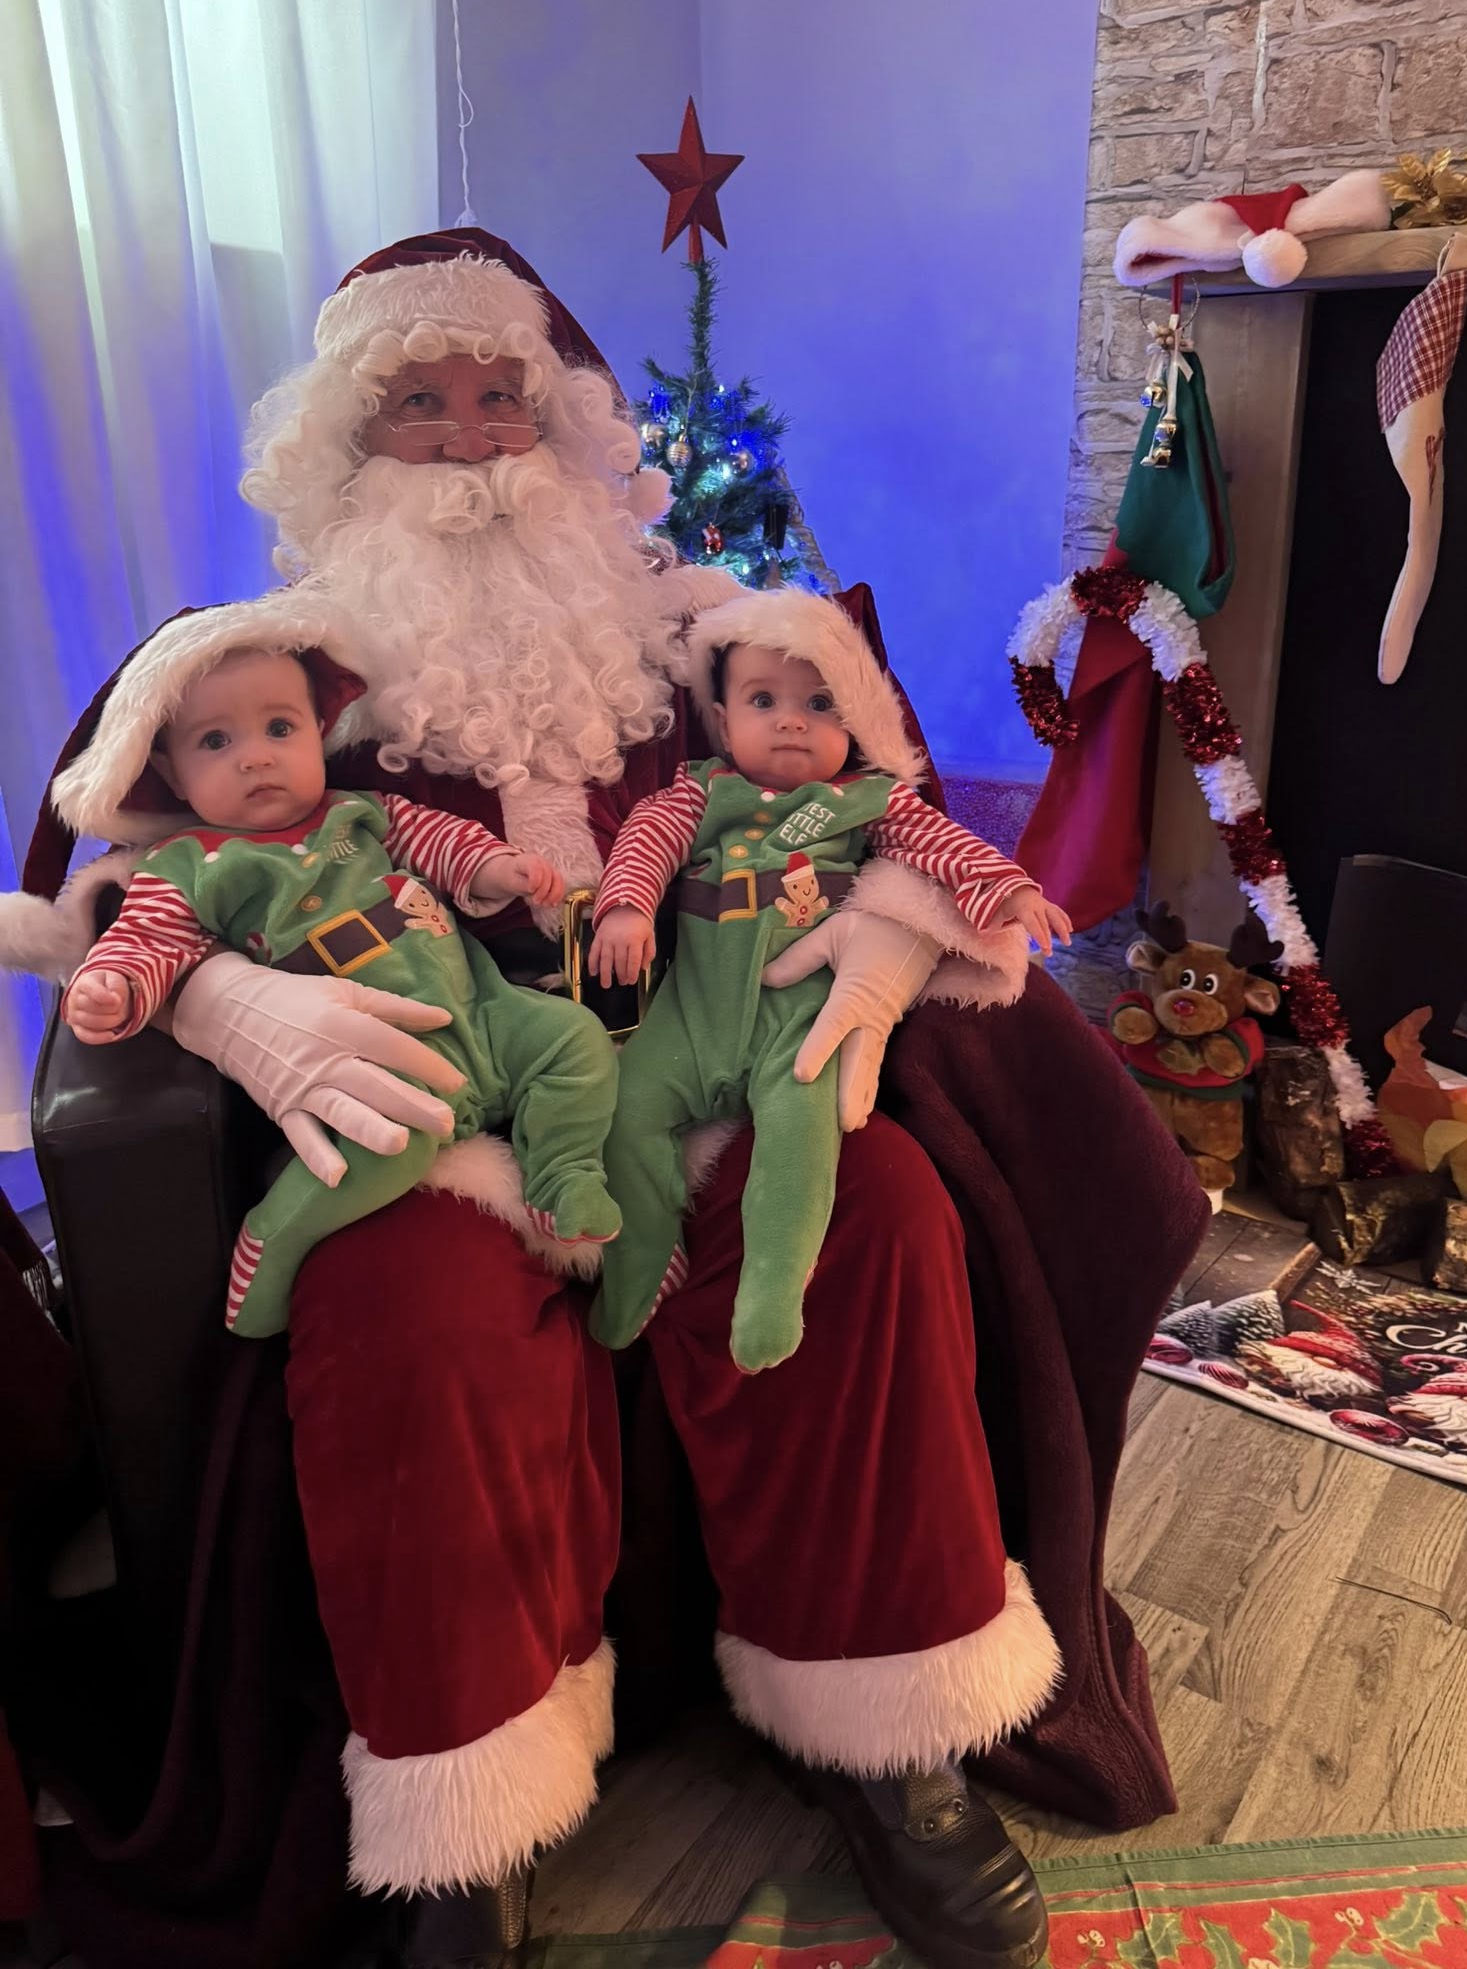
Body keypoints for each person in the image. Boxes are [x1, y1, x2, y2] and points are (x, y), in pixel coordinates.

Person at [7, 231, 1207, 1969]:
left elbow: (885, 794)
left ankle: (888, 1726)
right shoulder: (268, 672)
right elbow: (105, 868)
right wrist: (226, 995)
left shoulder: (701, 638)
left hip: (704, 1069)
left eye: (502, 397)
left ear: (562, 426)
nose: (471, 441)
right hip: (440, 1120)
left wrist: (883, 942)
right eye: (419, 405)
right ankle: (470, 1818)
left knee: (876, 1215)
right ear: (345, 444)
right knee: (399, 1306)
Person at [57, 610, 619, 1336]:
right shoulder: (187, 864)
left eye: (279, 728)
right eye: (216, 741)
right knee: (388, 1145)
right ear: (170, 771)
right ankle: (278, 1232)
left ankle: (563, 1175)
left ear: (318, 734)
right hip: (371, 1055)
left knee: (574, 1039)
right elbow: (147, 939)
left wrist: (494, 867)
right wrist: (113, 986)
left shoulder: (361, 813)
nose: (255, 758)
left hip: (485, 1012)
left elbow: (444, 842)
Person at [590, 588, 1071, 1370]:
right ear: (724, 722)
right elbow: (646, 837)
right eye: (764, 701)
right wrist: (627, 908)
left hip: (798, 1017)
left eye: (820, 704)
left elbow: (943, 845)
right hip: (691, 1016)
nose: (792, 721)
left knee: (803, 1132)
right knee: (628, 1111)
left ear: (857, 721)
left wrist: (1009, 890)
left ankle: (774, 1288)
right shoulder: (702, 792)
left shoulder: (868, 801)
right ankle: (642, 1259)